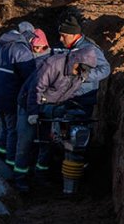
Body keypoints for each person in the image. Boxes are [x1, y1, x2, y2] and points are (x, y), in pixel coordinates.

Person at [13, 44, 96, 193]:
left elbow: (70, 93)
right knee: (25, 142)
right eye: (78, 69)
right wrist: (33, 112)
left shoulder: (80, 74)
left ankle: (41, 176)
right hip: (30, 104)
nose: (79, 73)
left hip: (51, 106)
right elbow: (36, 88)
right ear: (76, 61)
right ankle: (20, 179)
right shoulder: (53, 64)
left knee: (47, 143)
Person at [53, 14, 111, 194]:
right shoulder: (70, 48)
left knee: (76, 140)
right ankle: (65, 177)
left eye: (63, 36)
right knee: (63, 137)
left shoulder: (89, 49)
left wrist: (84, 76)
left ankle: (73, 185)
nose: (60, 39)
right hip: (66, 99)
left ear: (74, 35)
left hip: (82, 100)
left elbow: (105, 69)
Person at [0, 21, 37, 167]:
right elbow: (30, 77)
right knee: (13, 130)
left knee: (6, 127)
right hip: (10, 97)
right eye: (31, 38)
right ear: (26, 35)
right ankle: (10, 162)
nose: (32, 42)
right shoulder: (21, 51)